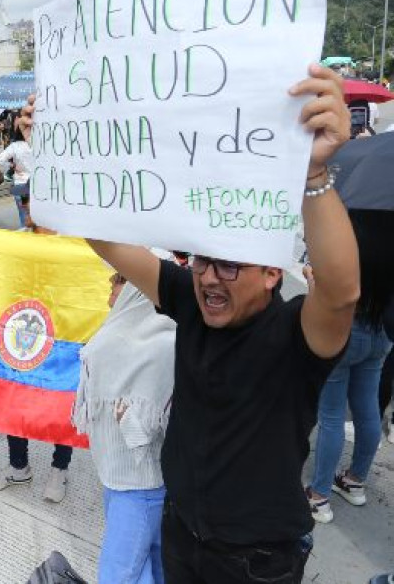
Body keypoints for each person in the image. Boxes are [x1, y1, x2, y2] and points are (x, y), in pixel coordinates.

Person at [21, 64, 359, 583]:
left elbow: (340, 294)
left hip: (255, 563)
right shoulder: (189, 300)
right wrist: (58, 152)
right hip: (181, 535)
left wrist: (313, 176)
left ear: (272, 272)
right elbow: (104, 239)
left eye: (229, 265)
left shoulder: (295, 335)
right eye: (201, 261)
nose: (208, 278)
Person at [76, 267, 179, 584]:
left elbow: (170, 429)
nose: (110, 282)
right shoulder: (117, 333)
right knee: (155, 567)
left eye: (120, 278)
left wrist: (130, 422)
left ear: (141, 290)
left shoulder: (166, 346)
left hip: (142, 487)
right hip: (118, 480)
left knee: (118, 576)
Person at [307, 209, 394, 523]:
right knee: (368, 406)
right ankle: (355, 481)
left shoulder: (350, 233)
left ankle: (319, 497)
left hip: (345, 331)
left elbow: (328, 287)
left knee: (331, 414)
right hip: (381, 332)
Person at [0, 116, 32, 228]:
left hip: (20, 182)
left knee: (23, 216)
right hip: (36, 183)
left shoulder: (15, 146)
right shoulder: (38, 145)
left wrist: (11, 165)